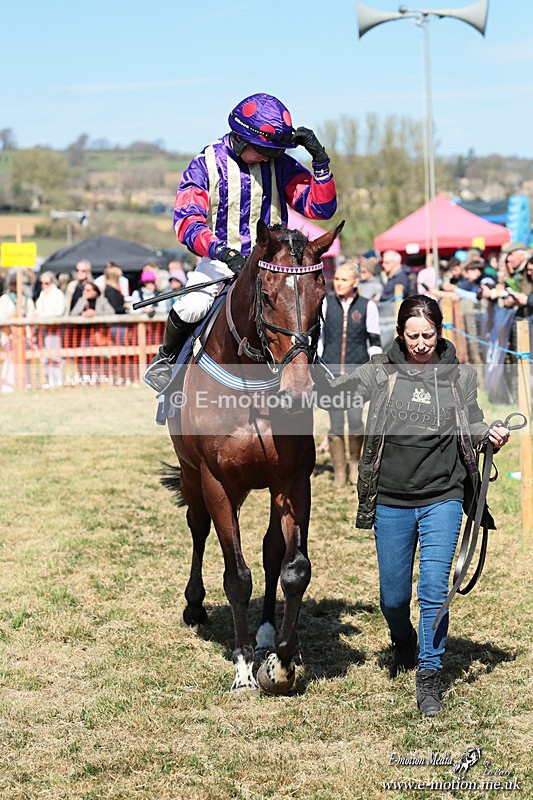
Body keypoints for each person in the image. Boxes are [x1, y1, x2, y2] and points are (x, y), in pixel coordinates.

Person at [315, 295, 510, 716]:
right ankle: (403, 638)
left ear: (440, 332)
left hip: (444, 494)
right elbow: (340, 397)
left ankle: (429, 675)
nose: (421, 343)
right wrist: (311, 376)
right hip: (390, 497)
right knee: (392, 598)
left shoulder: (459, 375)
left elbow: (472, 421)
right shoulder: (381, 370)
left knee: (435, 590)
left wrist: (487, 435)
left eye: (428, 334)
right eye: (412, 335)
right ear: (399, 335)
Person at [143, 91, 337, 391]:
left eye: (274, 152)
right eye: (265, 150)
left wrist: (320, 161)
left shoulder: (281, 165)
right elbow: (186, 223)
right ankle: (167, 362)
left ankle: (313, 366)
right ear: (242, 139)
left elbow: (320, 208)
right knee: (190, 307)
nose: (270, 157)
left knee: (300, 309)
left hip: (274, 266)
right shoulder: (205, 165)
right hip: (221, 262)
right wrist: (222, 250)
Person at [321, 262, 382, 487]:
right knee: (335, 421)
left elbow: (374, 341)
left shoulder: (368, 307)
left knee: (355, 420)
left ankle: (355, 465)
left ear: (356, 282)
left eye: (344, 280)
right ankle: (339, 472)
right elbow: (319, 338)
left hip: (358, 373)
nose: (338, 283)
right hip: (331, 372)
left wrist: (375, 367)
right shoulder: (326, 304)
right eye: (336, 279)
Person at [34, 272, 67, 387]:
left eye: (46, 283)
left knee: (55, 356)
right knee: (45, 357)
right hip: (43, 330)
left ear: (52, 282)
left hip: (54, 330)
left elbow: (58, 312)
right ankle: (48, 381)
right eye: (42, 283)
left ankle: (57, 381)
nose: (44, 285)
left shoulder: (57, 294)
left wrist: (41, 315)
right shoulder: (43, 294)